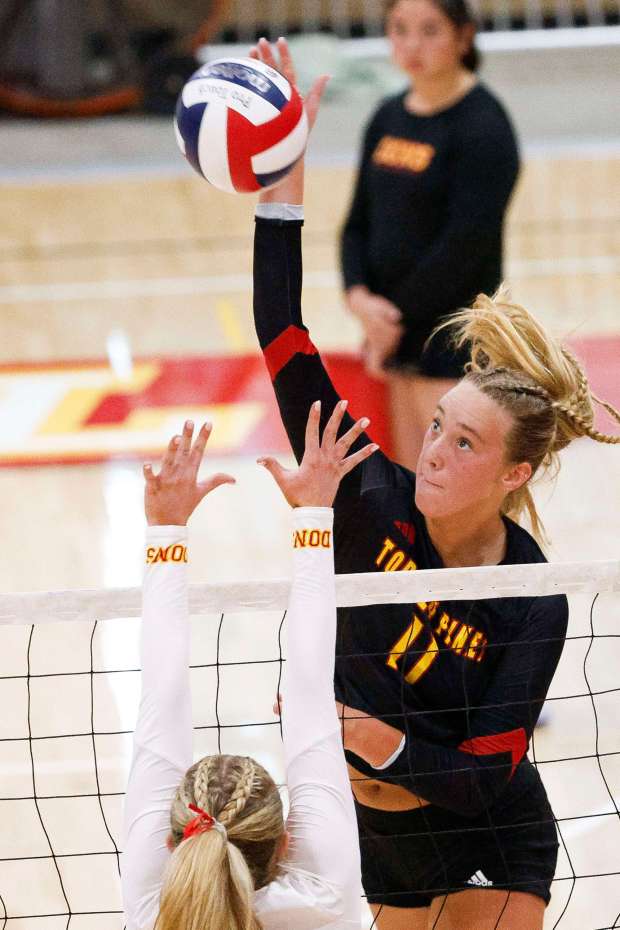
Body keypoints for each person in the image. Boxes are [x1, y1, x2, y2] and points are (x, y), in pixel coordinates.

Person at [250, 37, 620, 930]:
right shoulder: (366, 494)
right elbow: (282, 328)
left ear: (516, 472)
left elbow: (483, 772)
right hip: (377, 837)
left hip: (492, 832)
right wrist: (281, 169)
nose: (437, 453)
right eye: (441, 430)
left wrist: (367, 736)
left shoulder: (528, 595)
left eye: (465, 445)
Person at [121, 407, 378, 930]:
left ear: (172, 843)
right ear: (287, 844)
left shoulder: (156, 905)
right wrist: (312, 515)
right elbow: (309, 695)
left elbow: (162, 695)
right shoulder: (323, 896)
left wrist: (166, 530)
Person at [340, 0, 520, 469]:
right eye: (399, 29)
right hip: (395, 343)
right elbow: (356, 222)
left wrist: (390, 319)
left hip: (455, 346)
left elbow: (466, 244)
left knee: (457, 497)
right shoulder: (386, 117)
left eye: (429, 31)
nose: (411, 45)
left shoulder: (484, 126)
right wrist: (358, 297)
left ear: (464, 37)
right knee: (407, 489)